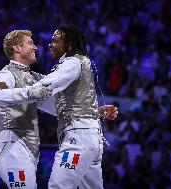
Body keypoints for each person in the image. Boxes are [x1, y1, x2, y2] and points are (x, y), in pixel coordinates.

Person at [30, 25, 118, 189]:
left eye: (55, 41)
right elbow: (63, 106)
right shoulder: (79, 64)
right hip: (90, 139)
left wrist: (18, 93)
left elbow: (44, 87)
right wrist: (96, 111)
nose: (50, 45)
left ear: (68, 45)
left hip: (78, 139)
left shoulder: (73, 62)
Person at [0, 30, 53, 189]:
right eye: (30, 43)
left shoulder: (33, 78)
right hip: (13, 150)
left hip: (28, 154)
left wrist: (94, 111)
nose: (36, 48)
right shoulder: (6, 74)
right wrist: (30, 93)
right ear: (17, 48)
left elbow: (57, 107)